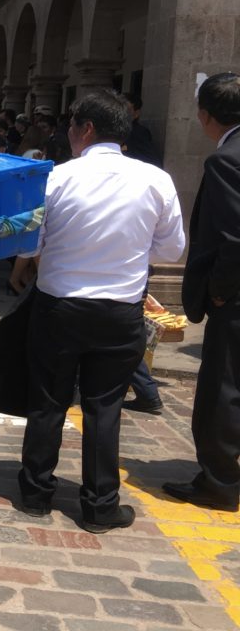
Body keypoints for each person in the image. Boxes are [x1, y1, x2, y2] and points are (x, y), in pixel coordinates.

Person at [18, 90, 185, 532]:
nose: (68, 134)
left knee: (49, 401)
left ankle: (35, 493)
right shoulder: (156, 181)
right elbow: (172, 249)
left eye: (71, 126)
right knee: (104, 406)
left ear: (86, 129)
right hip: (119, 310)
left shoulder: (56, 179)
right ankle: (99, 505)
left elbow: (29, 243)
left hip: (59, 307)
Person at [164, 72, 240, 512]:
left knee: (223, 389)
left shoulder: (226, 160)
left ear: (206, 116)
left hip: (236, 298)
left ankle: (219, 481)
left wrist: (218, 292)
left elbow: (234, 237)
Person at [122, 92, 161, 167]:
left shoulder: (138, 133)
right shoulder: (107, 130)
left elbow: (152, 163)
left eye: (126, 110)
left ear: (136, 114)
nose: (120, 113)